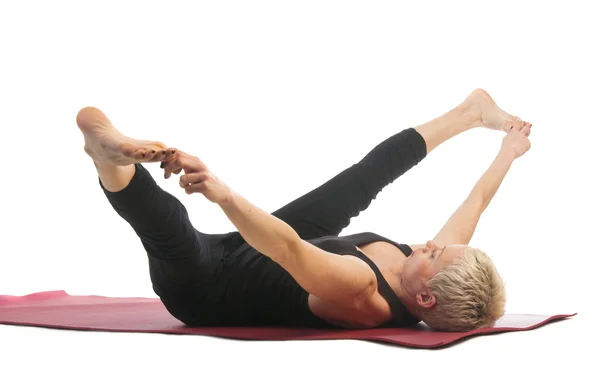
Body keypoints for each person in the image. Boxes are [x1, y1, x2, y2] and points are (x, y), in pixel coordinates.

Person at [76, 88, 532, 332]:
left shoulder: (361, 291)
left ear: (426, 299)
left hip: (208, 287)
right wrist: (509, 151)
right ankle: (469, 113)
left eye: (434, 255)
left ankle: (105, 156)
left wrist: (221, 192)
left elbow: (288, 248)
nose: (432, 245)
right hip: (259, 250)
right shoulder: (431, 273)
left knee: (170, 228)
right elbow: (478, 201)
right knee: (361, 181)